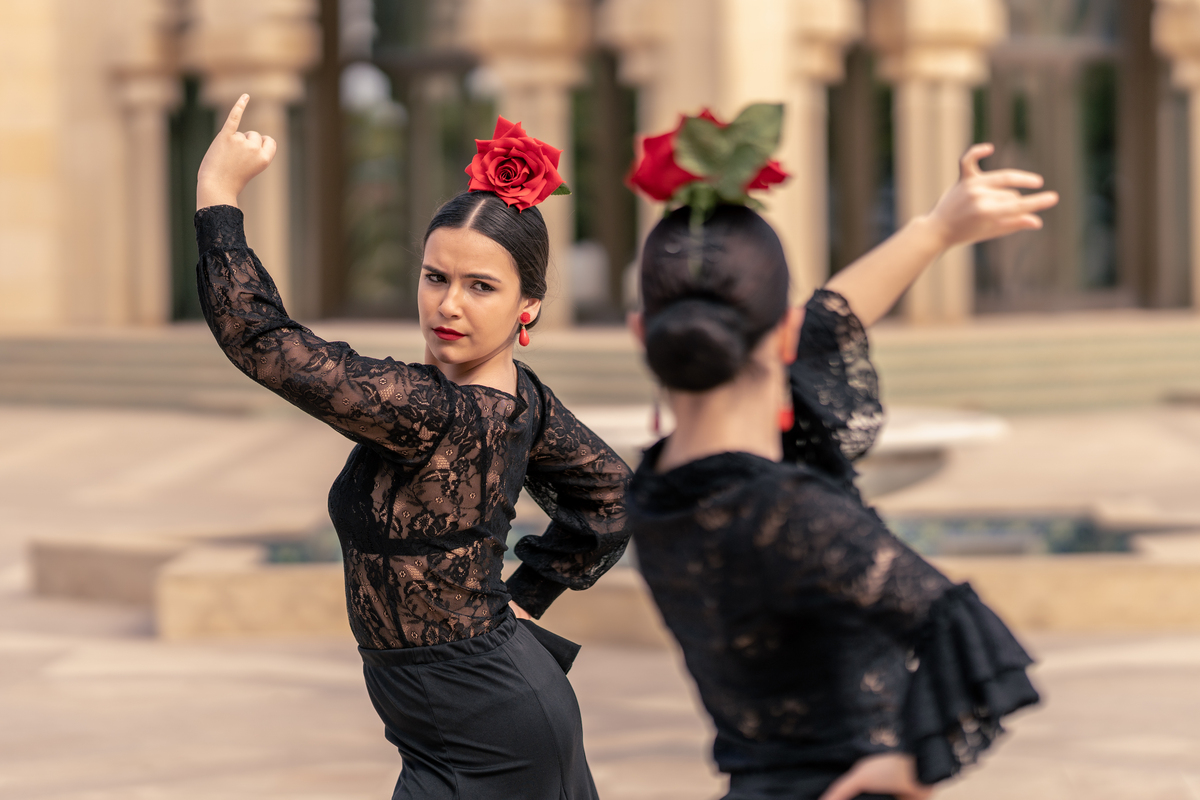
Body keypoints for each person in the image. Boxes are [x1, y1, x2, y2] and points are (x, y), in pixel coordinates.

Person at [194, 95, 629, 800]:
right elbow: (607, 491)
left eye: (480, 286)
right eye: (436, 277)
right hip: (462, 713)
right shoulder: (523, 397)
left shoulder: (431, 409)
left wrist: (217, 195)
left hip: (490, 725)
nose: (448, 304)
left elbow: (263, 342)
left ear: (530, 305)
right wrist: (527, 597)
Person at [624, 105, 1060, 800]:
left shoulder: (654, 491)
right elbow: (966, 633)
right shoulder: (792, 514)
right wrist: (912, 766)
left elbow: (825, 322)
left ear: (640, 332)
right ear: (783, 336)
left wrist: (936, 230)